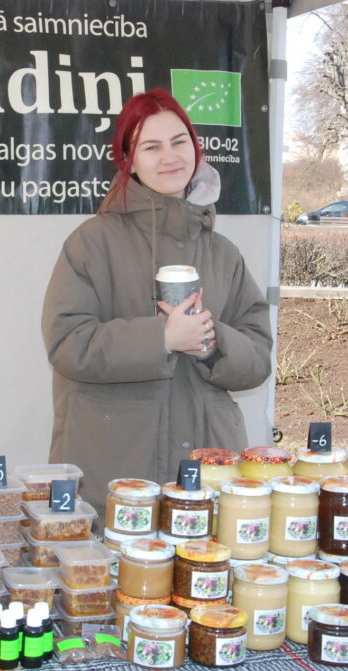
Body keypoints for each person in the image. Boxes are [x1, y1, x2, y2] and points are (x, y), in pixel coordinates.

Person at [41, 89, 273, 519]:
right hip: (116, 467)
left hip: (206, 472)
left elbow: (259, 357)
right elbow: (67, 343)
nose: (169, 157)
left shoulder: (224, 253)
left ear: (195, 149)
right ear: (129, 160)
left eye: (179, 141)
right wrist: (162, 338)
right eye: (151, 147)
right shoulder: (91, 243)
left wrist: (211, 342)